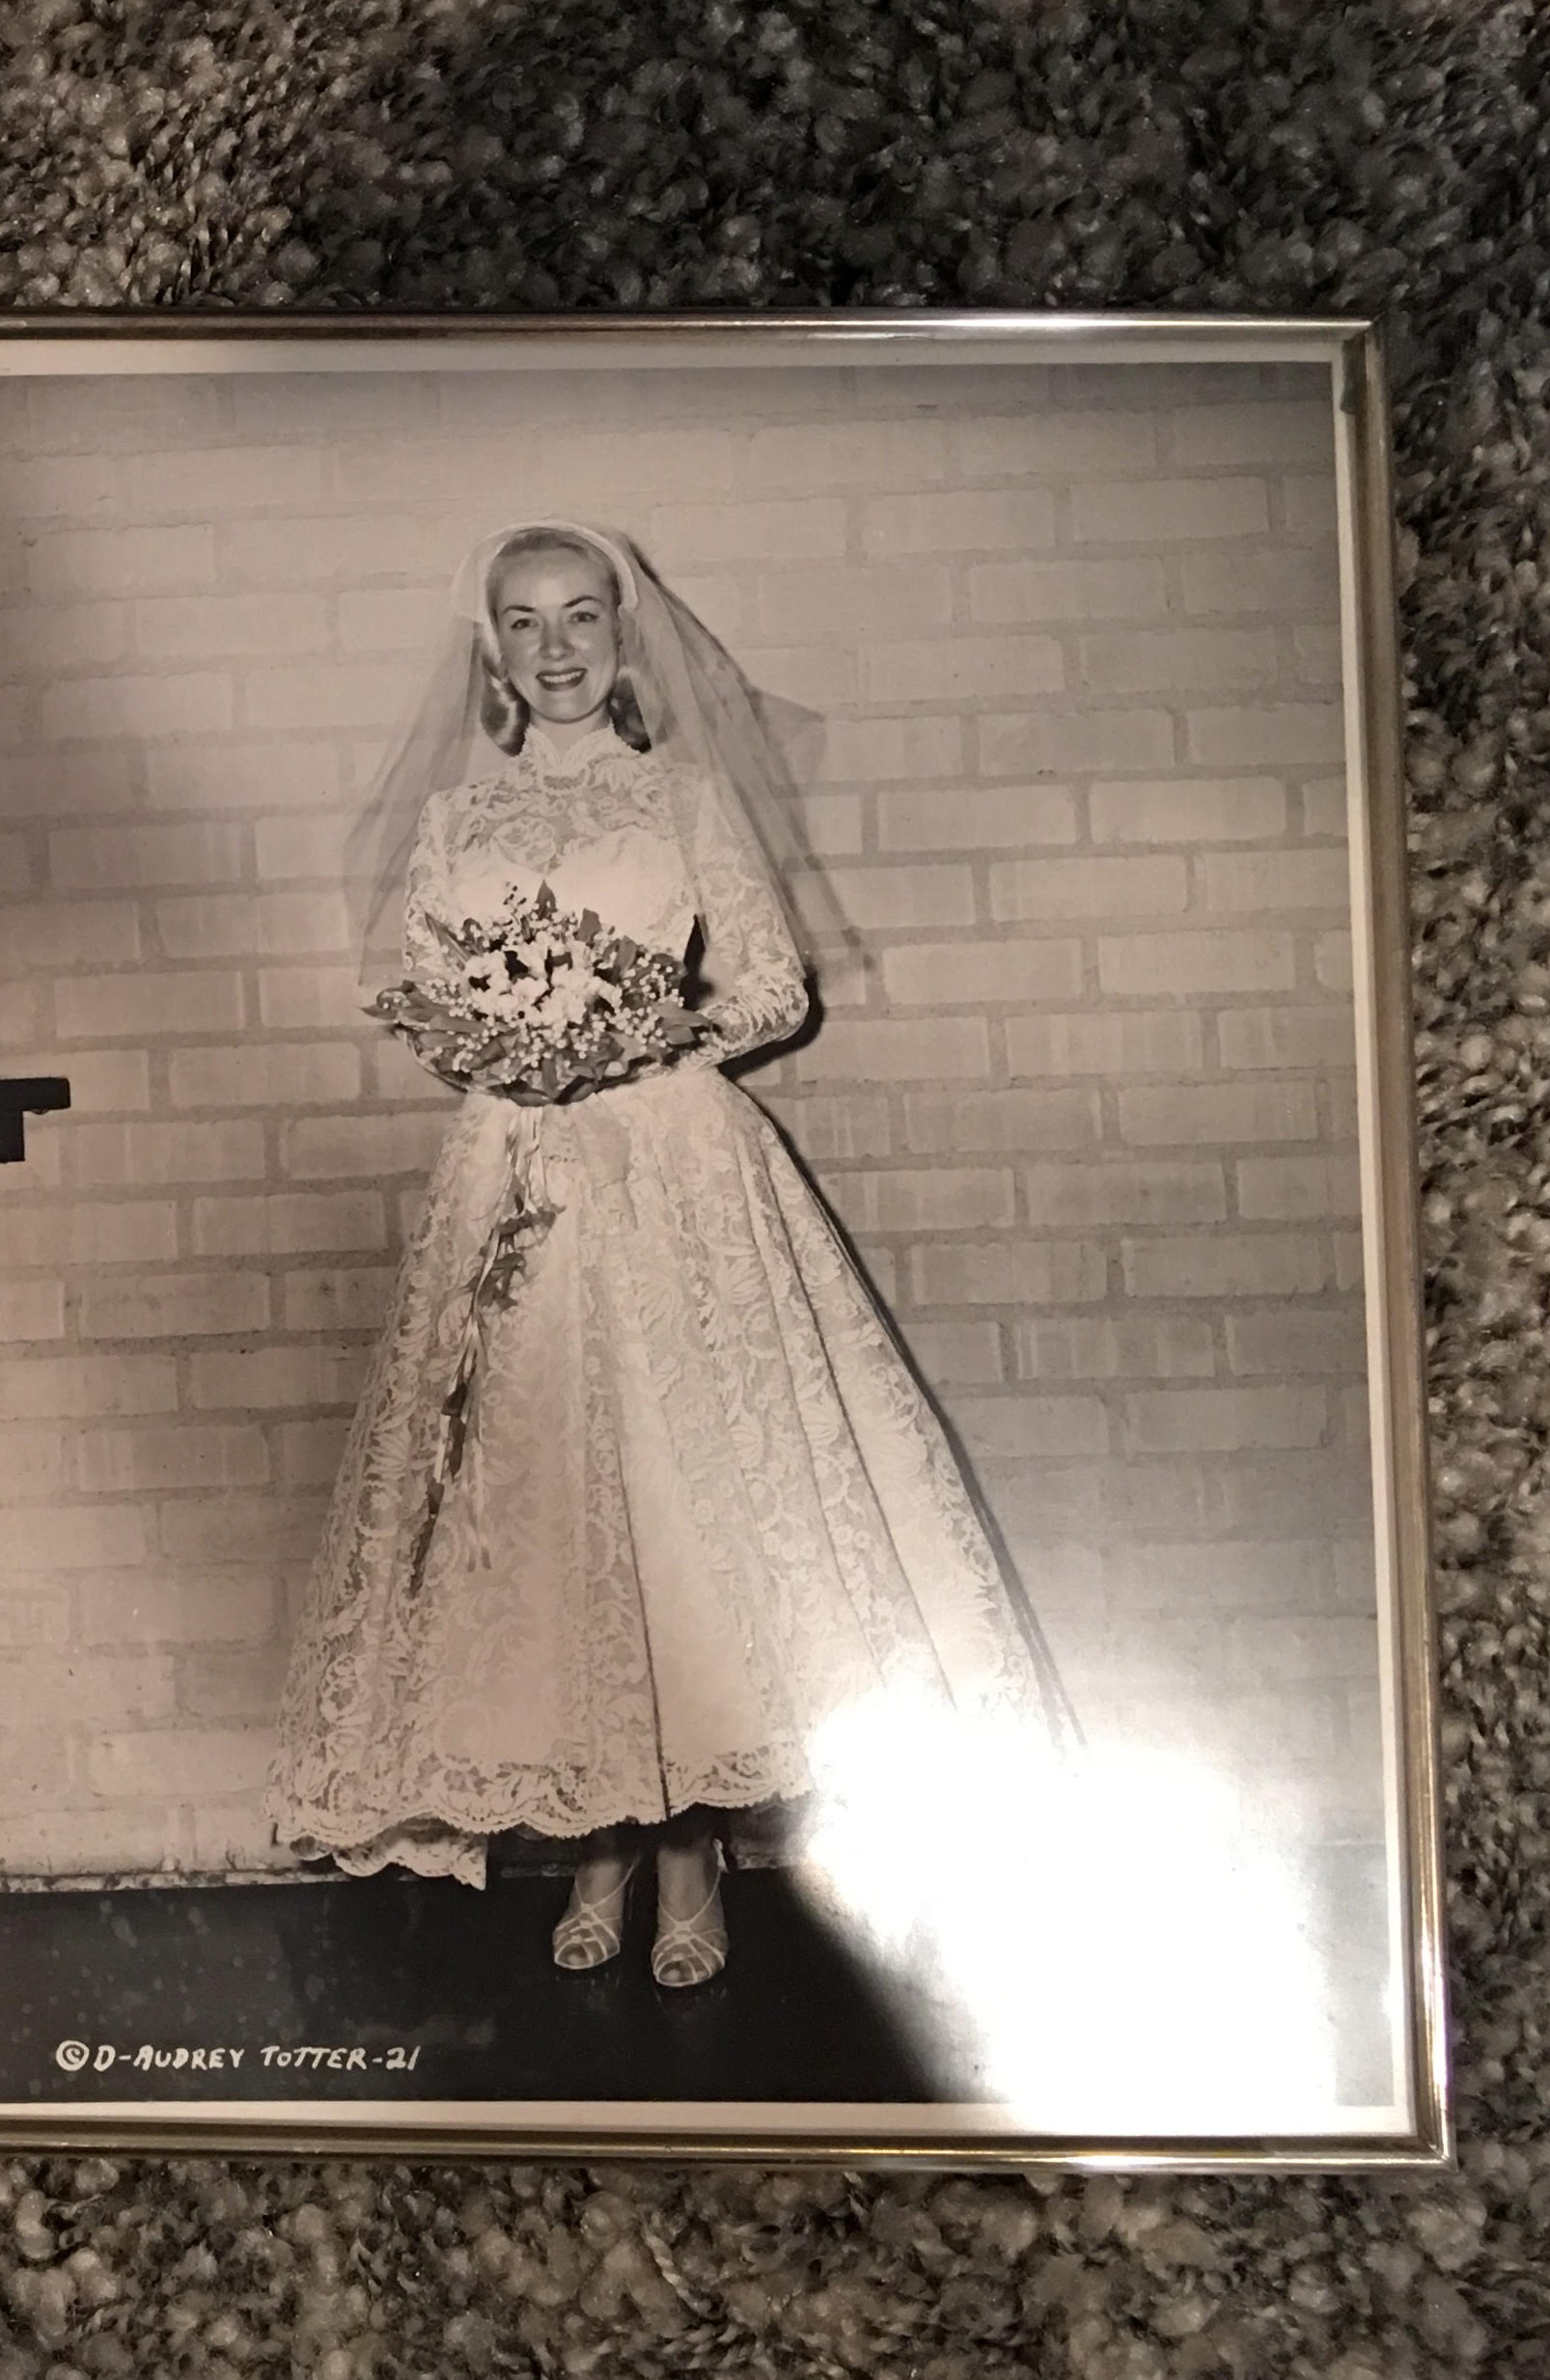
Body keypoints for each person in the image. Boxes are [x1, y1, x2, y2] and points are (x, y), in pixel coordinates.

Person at [267, 520, 1068, 1989]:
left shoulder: (683, 798)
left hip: (673, 1165)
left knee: (687, 1501)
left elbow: (769, 986)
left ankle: (689, 1851)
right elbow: (421, 992)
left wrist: (641, 1036)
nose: (555, 648)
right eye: (524, 623)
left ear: (622, 636)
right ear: (491, 653)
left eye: (581, 617)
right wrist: (506, 1043)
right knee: (546, 1500)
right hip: (517, 1176)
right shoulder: (452, 822)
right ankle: (600, 1841)